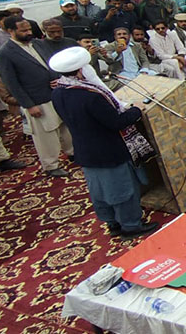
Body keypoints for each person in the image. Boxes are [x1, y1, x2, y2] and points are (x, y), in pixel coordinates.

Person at [47, 47, 158, 238]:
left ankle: (112, 223)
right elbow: (116, 123)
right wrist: (136, 110)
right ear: (81, 71)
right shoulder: (91, 95)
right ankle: (131, 225)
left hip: (85, 150)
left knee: (99, 190)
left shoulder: (58, 92)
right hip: (108, 150)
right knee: (122, 189)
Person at [0, 15, 74, 176]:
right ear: (11, 31)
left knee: (66, 127)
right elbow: (11, 83)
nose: (28, 32)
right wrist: (28, 105)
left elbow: (50, 64)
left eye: (29, 29)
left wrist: (58, 80)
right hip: (36, 99)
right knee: (45, 134)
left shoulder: (38, 43)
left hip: (56, 93)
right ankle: (51, 165)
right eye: (23, 30)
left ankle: (73, 153)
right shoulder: (4, 53)